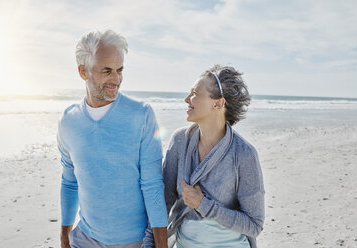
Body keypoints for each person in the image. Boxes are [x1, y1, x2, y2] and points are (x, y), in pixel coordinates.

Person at [57, 30, 168, 248]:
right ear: (83, 72)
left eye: (120, 70)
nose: (116, 79)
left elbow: (153, 184)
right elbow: (69, 182)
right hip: (84, 239)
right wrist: (64, 238)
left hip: (134, 241)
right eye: (107, 71)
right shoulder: (68, 121)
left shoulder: (141, 114)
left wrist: (161, 245)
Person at [143, 65, 265, 248]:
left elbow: (254, 225)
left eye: (195, 93)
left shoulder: (244, 154)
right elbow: (164, 200)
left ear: (218, 103)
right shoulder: (179, 141)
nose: (186, 99)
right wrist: (149, 243)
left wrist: (203, 204)